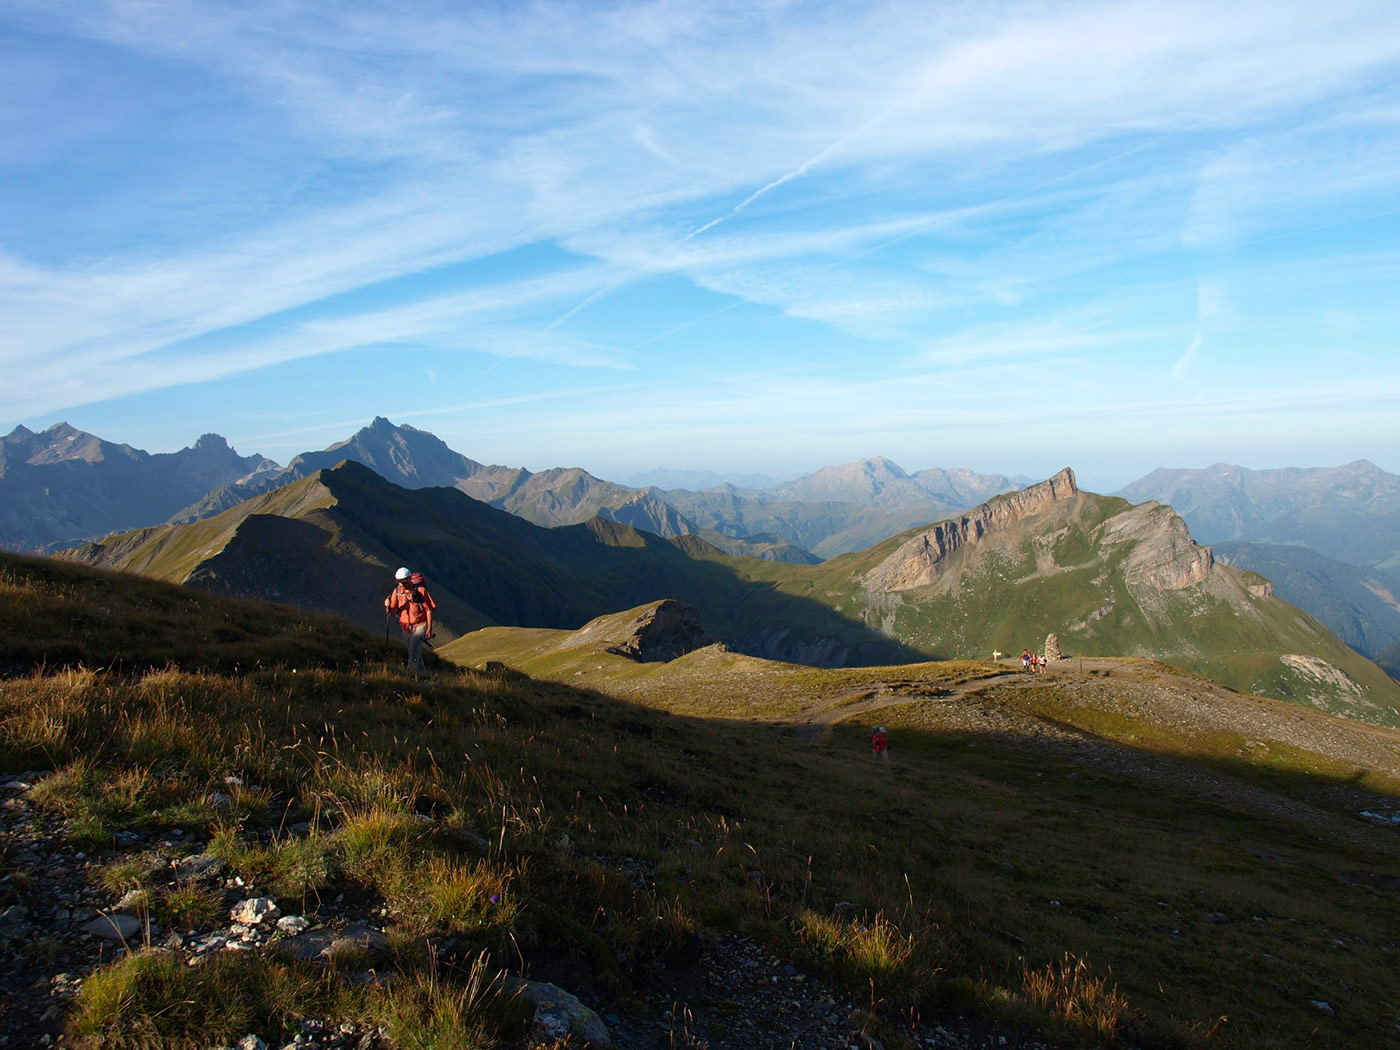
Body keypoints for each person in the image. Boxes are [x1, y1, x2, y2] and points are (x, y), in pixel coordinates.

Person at [385, 567, 436, 674]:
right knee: (415, 650)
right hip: (405, 627)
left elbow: (429, 610)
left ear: (409, 579)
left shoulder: (420, 591)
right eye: (399, 582)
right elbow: (392, 612)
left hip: (420, 625)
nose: (402, 584)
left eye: (404, 581)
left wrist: (429, 629)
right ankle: (423, 674)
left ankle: (410, 674)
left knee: (413, 649)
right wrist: (388, 606)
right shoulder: (397, 592)